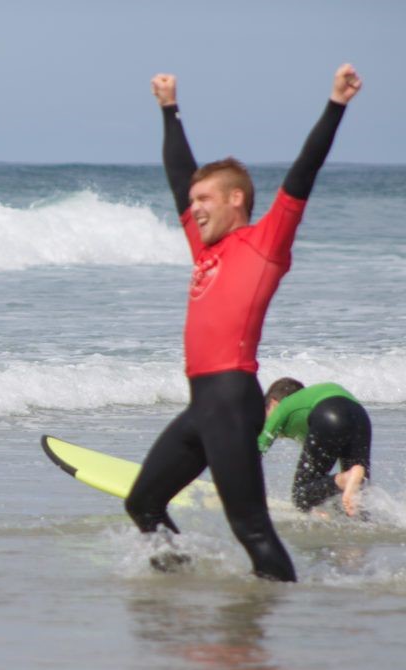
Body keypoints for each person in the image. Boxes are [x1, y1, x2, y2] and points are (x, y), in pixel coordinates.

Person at [124, 64, 363, 582]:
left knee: (252, 529)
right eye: (192, 203)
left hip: (232, 401)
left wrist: (335, 105)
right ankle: (180, 582)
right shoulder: (204, 248)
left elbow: (303, 173)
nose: (194, 209)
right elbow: (179, 175)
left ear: (236, 200)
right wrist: (169, 109)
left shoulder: (265, 242)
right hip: (200, 406)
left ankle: (272, 614)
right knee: (142, 504)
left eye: (204, 200)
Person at [259, 377, 370, 516]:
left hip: (327, 412)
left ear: (273, 403)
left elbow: (257, 450)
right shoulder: (309, 402)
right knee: (358, 493)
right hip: (360, 416)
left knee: (300, 496)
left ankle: (345, 479)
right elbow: (319, 481)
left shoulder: (283, 406)